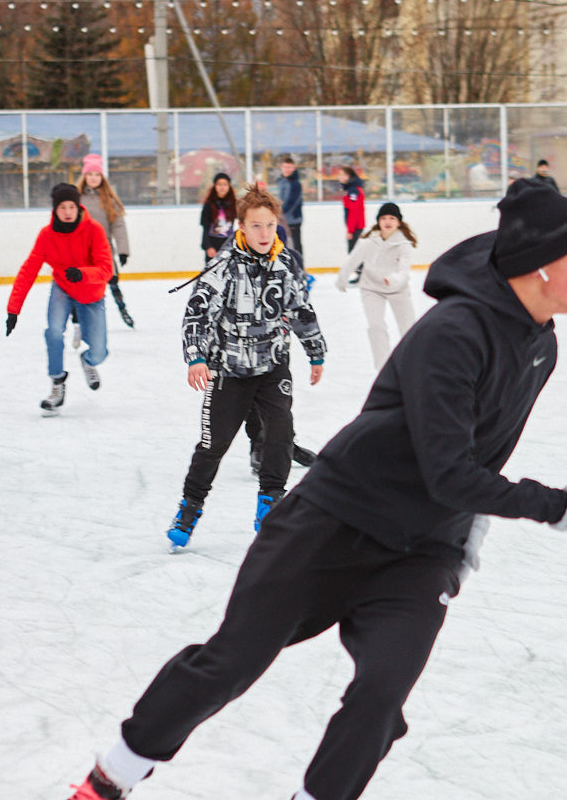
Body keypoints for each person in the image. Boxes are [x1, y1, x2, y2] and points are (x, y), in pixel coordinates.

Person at [23, 184, 567, 800]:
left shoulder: (540, 343)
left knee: (382, 693)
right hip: (333, 521)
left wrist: (466, 536)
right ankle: (104, 785)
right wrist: (566, 506)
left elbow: (479, 458)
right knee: (232, 660)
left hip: (419, 554)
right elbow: (452, 471)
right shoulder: (455, 333)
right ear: (543, 267)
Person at [165, 183, 326, 547]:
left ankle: (270, 502)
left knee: (281, 432)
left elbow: (300, 310)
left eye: (269, 225)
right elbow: (197, 313)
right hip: (230, 371)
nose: (264, 233)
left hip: (272, 364)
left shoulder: (286, 263)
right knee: (213, 444)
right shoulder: (223, 266)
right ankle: (190, 507)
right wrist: (196, 356)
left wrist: (315, 351)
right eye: (256, 226)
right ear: (241, 227)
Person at [5, 183, 113, 413]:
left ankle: (88, 361)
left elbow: (106, 269)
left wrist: (83, 273)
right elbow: (28, 271)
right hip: (63, 289)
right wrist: (13, 310)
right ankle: (57, 384)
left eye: (71, 206)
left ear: (78, 207)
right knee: (53, 332)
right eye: (62, 207)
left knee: (100, 351)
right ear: (55, 209)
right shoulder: (47, 235)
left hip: (91, 293)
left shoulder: (94, 230)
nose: (67, 211)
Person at [335, 201, 417, 370]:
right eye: (384, 218)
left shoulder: (404, 245)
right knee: (376, 326)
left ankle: (412, 364)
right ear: (378, 221)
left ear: (399, 222)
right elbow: (353, 259)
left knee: (408, 329)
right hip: (371, 288)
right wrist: (342, 278)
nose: (388, 221)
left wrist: (393, 279)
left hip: (398, 290)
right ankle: (383, 367)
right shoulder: (368, 241)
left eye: (392, 218)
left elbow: (404, 272)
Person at [78, 154, 134, 328]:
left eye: (97, 174)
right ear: (84, 177)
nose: (93, 178)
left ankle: (123, 309)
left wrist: (123, 250)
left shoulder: (108, 200)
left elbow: (118, 225)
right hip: (81, 250)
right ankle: (80, 318)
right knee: (83, 286)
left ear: (102, 177)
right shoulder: (76, 198)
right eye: (90, 174)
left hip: (104, 250)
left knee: (113, 281)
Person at [200, 172, 238, 262]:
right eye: (219, 184)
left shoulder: (233, 204)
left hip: (228, 245)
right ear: (215, 186)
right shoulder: (209, 204)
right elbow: (205, 227)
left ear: (229, 186)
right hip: (213, 244)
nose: (222, 187)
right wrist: (208, 246)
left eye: (225, 184)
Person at [275, 155, 304, 263]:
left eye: (289, 167)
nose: (287, 170)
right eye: (285, 167)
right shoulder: (281, 181)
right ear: (281, 167)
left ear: (293, 168)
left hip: (293, 219)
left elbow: (291, 201)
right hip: (282, 220)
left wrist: (279, 212)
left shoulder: (295, 183)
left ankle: (300, 268)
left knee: (295, 244)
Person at [336, 165, 366, 254]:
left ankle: (358, 268)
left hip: (356, 226)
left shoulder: (353, 191)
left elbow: (353, 211)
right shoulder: (350, 189)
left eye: (341, 174)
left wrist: (350, 231)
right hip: (355, 226)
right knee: (354, 252)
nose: (339, 177)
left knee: (353, 253)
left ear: (347, 176)